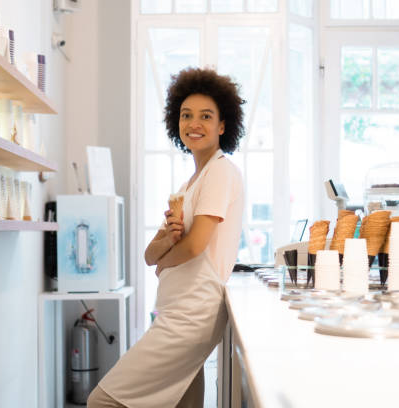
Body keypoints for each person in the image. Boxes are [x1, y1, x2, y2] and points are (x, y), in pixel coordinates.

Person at [88, 67, 245, 408]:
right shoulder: (188, 186)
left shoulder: (220, 171)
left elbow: (194, 246)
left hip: (192, 313)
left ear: (222, 126)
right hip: (178, 307)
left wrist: (165, 259)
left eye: (206, 116)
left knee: (102, 401)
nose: (194, 123)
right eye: (186, 115)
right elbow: (149, 254)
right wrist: (163, 250)